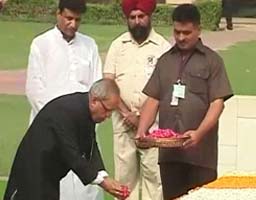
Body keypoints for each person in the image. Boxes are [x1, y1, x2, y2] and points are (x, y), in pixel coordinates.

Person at [136, 4, 233, 200]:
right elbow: (153, 99)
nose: (180, 37)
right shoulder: (164, 61)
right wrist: (141, 130)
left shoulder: (212, 61)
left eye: (186, 32)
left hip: (201, 155)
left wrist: (199, 134)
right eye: (177, 32)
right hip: (170, 156)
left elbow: (217, 103)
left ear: (198, 29)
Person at [25, 0, 103, 199]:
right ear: (58, 14)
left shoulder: (89, 45)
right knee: (48, 185)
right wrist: (60, 124)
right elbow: (35, 91)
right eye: (69, 18)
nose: (73, 24)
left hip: (83, 128)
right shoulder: (41, 44)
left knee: (85, 186)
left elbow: (97, 88)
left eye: (77, 20)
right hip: (49, 129)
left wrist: (84, 122)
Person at [4, 79, 130, 200]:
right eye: (107, 110)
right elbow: (71, 153)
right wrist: (102, 182)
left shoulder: (84, 110)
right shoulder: (67, 112)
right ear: (94, 101)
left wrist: (103, 175)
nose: (108, 116)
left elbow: (89, 145)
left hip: (47, 175)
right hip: (32, 171)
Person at [103, 0, 171, 199]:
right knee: (124, 181)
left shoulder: (163, 47)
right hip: (123, 123)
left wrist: (142, 117)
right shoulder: (118, 45)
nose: (137, 21)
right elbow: (109, 83)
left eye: (141, 16)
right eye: (132, 18)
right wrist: (127, 114)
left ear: (150, 17)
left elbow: (165, 88)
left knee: (154, 179)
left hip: (153, 126)